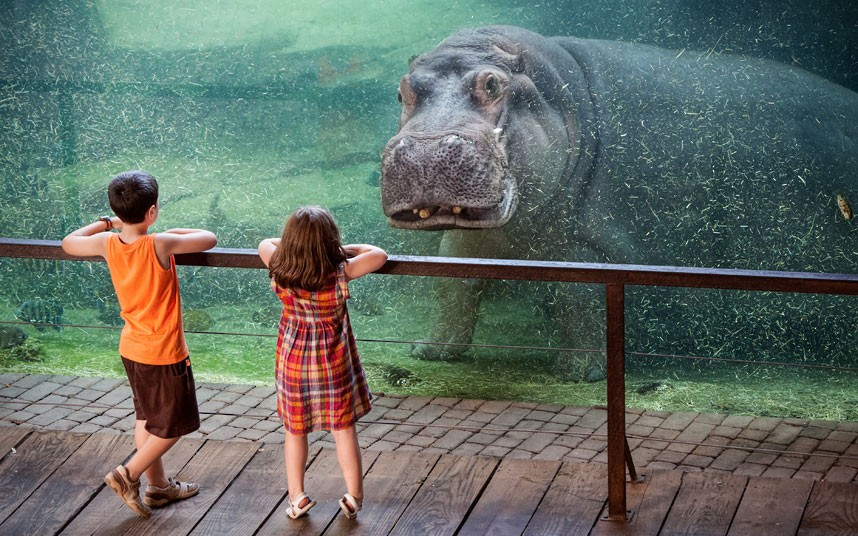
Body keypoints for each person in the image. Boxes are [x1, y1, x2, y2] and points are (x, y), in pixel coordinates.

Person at [61, 170, 217, 518]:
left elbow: (69, 243)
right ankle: (128, 474)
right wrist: (170, 232)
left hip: (132, 348)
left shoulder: (107, 243)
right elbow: (209, 237)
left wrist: (106, 224)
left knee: (146, 419)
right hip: (164, 353)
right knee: (176, 424)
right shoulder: (160, 243)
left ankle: (158, 487)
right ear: (152, 212)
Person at [258, 206, 387, 521]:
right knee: (343, 431)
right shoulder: (338, 273)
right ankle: (354, 497)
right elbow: (379, 254)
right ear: (330, 242)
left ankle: (297, 497)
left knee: (295, 432)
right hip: (331, 366)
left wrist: (295, 244)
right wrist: (341, 251)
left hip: (292, 365)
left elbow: (265, 242)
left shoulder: (279, 265)